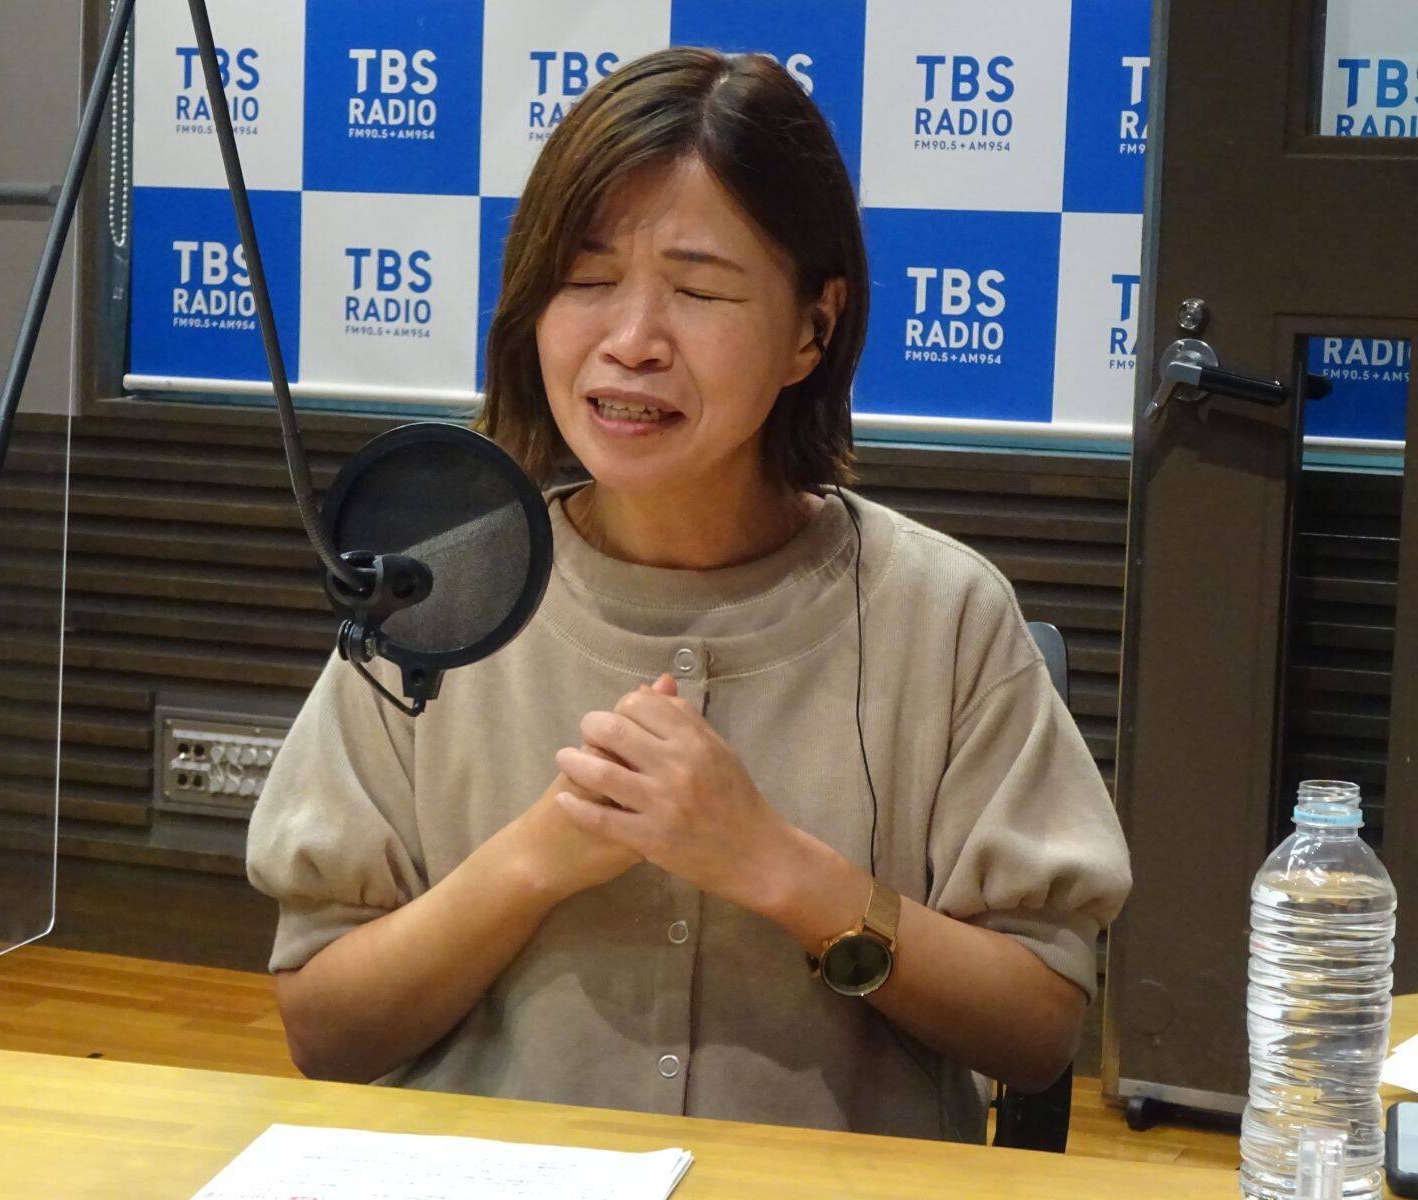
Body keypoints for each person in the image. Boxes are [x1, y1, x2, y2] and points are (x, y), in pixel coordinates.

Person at [246, 46, 1131, 1144]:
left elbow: (1037, 1030)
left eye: (700, 290)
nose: (631, 343)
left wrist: (778, 870)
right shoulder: (435, 595)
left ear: (812, 327)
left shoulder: (943, 614)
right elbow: (326, 1030)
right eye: (586, 281)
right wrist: (534, 860)